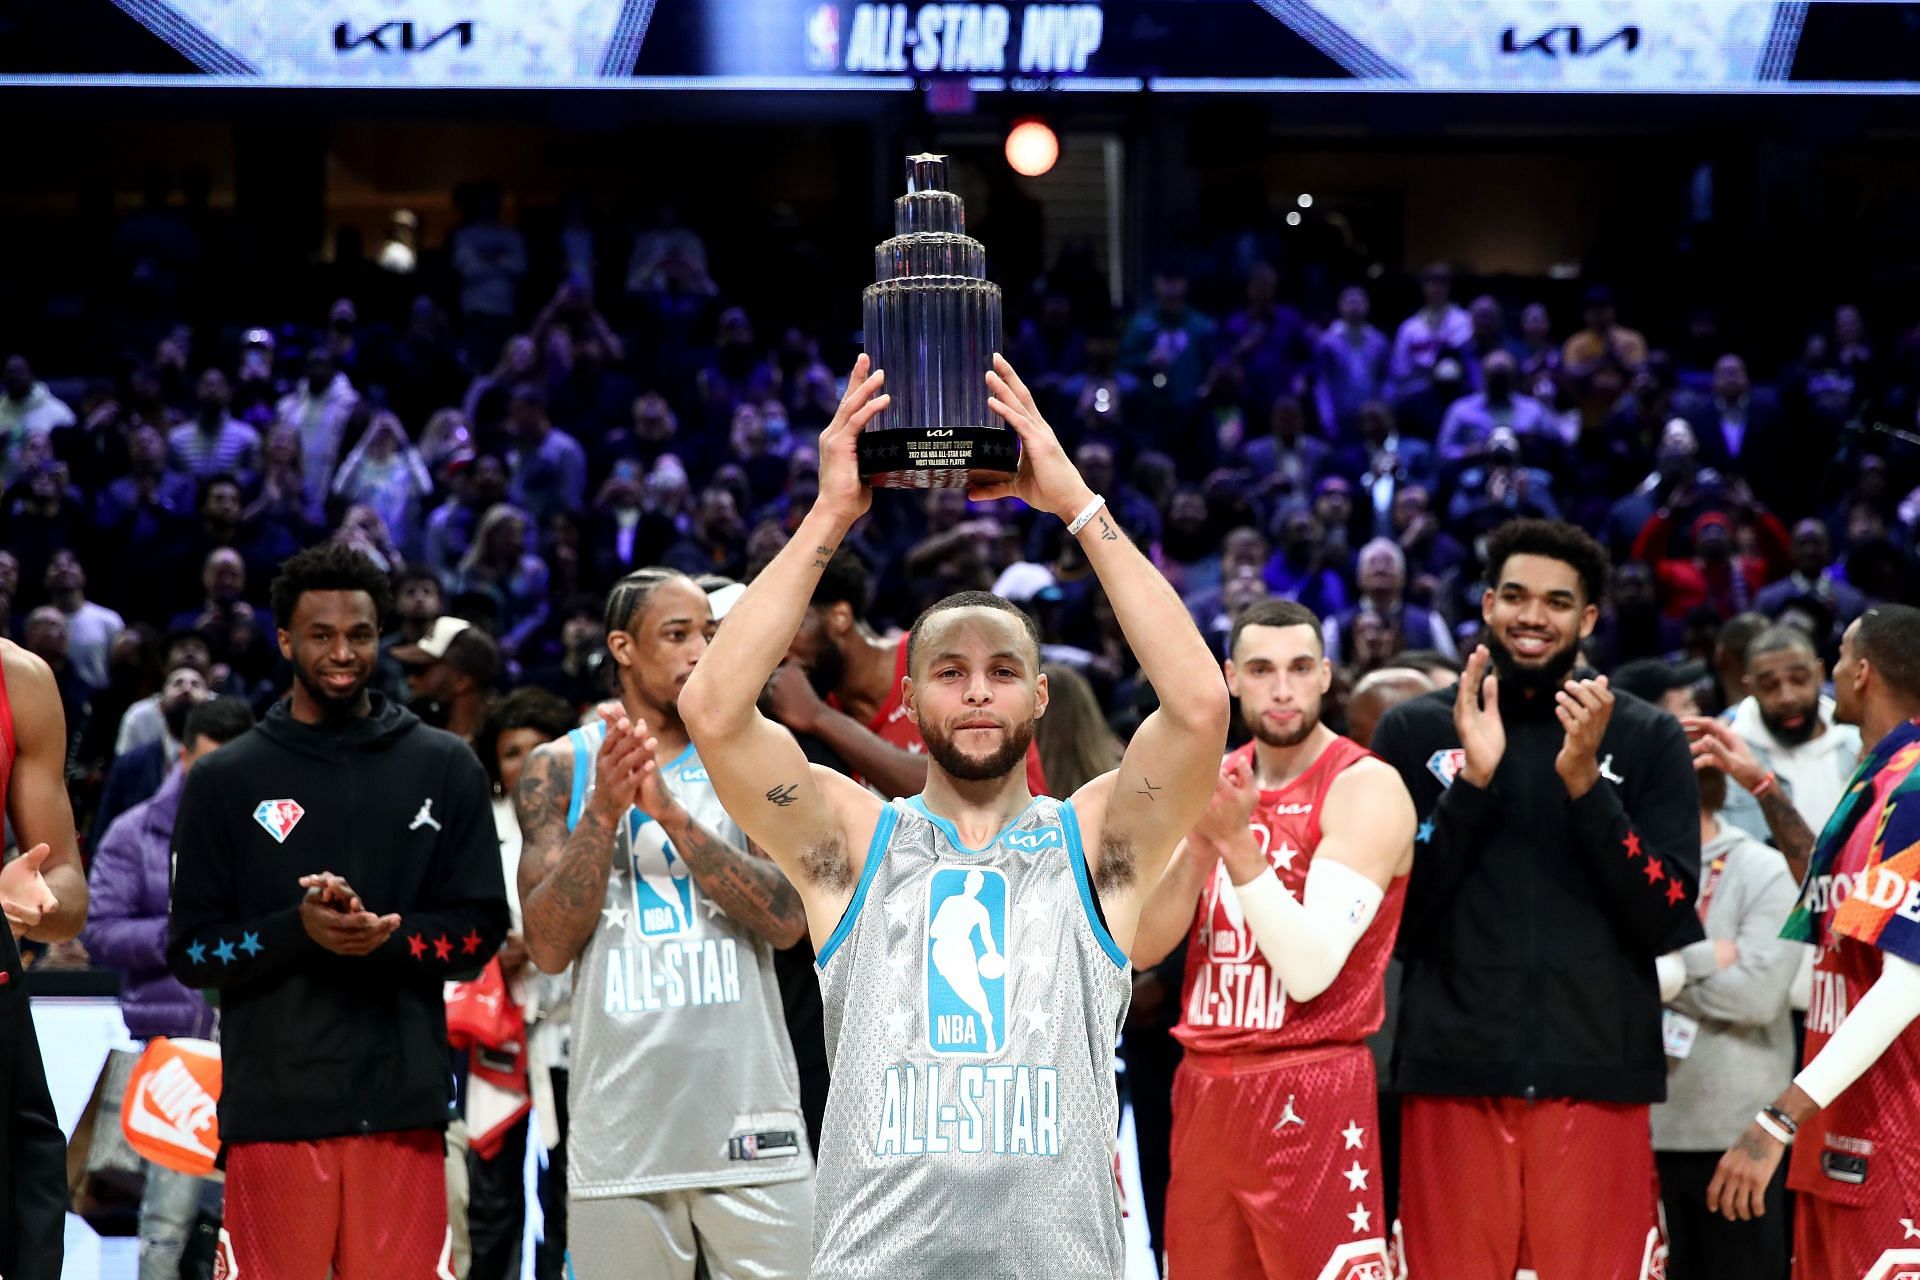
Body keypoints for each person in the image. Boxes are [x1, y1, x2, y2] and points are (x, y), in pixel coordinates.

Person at [680, 354, 1230, 1278]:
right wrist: (830, 515)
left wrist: (1078, 507)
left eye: (1003, 672)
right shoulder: (853, 842)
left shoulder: (1095, 843)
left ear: (1043, 698)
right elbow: (714, 711)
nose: (978, 692)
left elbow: (1201, 708)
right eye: (950, 671)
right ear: (910, 693)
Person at [1370, 518, 1704, 1280]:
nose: (1532, 616)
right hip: (1451, 1076)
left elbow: (1665, 914)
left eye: (1557, 602)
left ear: (1587, 620)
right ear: (1487, 605)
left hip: (1596, 1076)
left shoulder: (1649, 737)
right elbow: (1397, 922)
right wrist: (1472, 786)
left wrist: (1588, 788)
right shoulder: (1414, 731)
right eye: (1515, 596)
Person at [166, 542, 508, 1277]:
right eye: (321, 635)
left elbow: (481, 931)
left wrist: (384, 939)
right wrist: (301, 932)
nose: (343, 652)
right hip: (275, 1116)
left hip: (404, 1112)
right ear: (286, 640)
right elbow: (191, 951)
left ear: (379, 635)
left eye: (359, 634)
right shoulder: (227, 779)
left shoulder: (443, 765)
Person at [513, 567, 813, 1280]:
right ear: (622, 646)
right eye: (676, 635)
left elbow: (787, 922)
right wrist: (604, 814)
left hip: (752, 1120)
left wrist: (672, 816)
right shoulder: (558, 768)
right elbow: (549, 947)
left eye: (708, 635)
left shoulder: (752, 755)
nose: (699, 653)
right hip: (622, 1129)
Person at [1131, 598, 1416, 1280]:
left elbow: (1311, 969)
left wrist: (1236, 845)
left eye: (1297, 669)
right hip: (1204, 1089)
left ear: (1326, 676)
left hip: (1312, 1086)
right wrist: (1202, 846)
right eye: (1261, 669)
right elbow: (1142, 948)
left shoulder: (1365, 787)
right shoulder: (1213, 782)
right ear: (1231, 678)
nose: (1281, 689)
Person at [1705, 605, 1920, 1278]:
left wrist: (1778, 1117)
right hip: (1842, 1131)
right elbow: (1827, 897)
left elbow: (1910, 980)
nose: (1829, 675)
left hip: (1896, 1138)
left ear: (1861, 673)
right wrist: (1763, 787)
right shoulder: (1879, 779)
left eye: (1835, 659)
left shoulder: (1914, 788)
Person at [84, 697, 255, 1280]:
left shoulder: (273, 834)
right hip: (179, 1054)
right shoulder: (136, 833)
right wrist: (186, 934)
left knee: (254, 1217)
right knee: (166, 1223)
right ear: (182, 757)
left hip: (262, 1045)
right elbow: (99, 930)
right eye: (207, 765)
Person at [1652, 764, 1799, 1280]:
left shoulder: (1764, 870)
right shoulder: (1624, 872)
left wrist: (1664, 972)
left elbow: (1757, 997)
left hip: (1735, 1136)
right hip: (1641, 1131)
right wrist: (1697, 962)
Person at [769, 545, 1048, 799]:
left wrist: (819, 717)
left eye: (791, 626)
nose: (779, 651)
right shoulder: (809, 705)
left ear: (839, 617)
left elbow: (972, 791)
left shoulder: (939, 658)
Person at [470, 687, 579, 1280]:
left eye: (542, 747)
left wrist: (541, 948)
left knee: (564, 1186)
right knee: (491, 1196)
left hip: (570, 1032)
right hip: (493, 1032)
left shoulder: (591, 820)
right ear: (494, 764)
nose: (528, 762)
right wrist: (492, 956)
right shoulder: (474, 828)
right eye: (513, 752)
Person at [394, 615, 501, 744]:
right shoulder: (413, 733)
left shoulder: (501, 739)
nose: (411, 680)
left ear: (462, 680)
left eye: (421, 670)